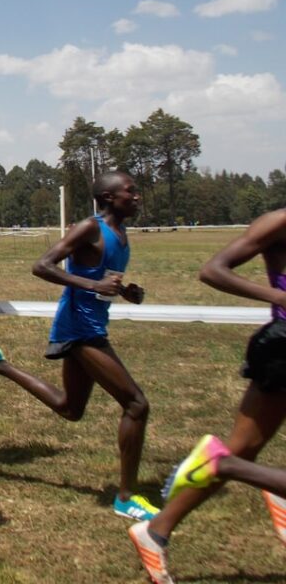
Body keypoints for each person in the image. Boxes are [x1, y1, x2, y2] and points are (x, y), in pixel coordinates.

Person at [0, 171, 155, 521]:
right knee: (136, 404)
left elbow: (101, 278)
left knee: (70, 409)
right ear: (109, 197)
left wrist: (126, 292)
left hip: (93, 325)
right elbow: (42, 266)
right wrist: (91, 287)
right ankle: (126, 497)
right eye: (131, 191)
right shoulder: (90, 228)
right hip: (79, 329)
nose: (137, 196)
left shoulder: (121, 234)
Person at [129, 208, 286, 584]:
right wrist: (278, 295)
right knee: (239, 454)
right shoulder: (279, 221)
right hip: (283, 348)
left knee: (243, 450)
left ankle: (155, 531)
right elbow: (213, 270)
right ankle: (232, 468)